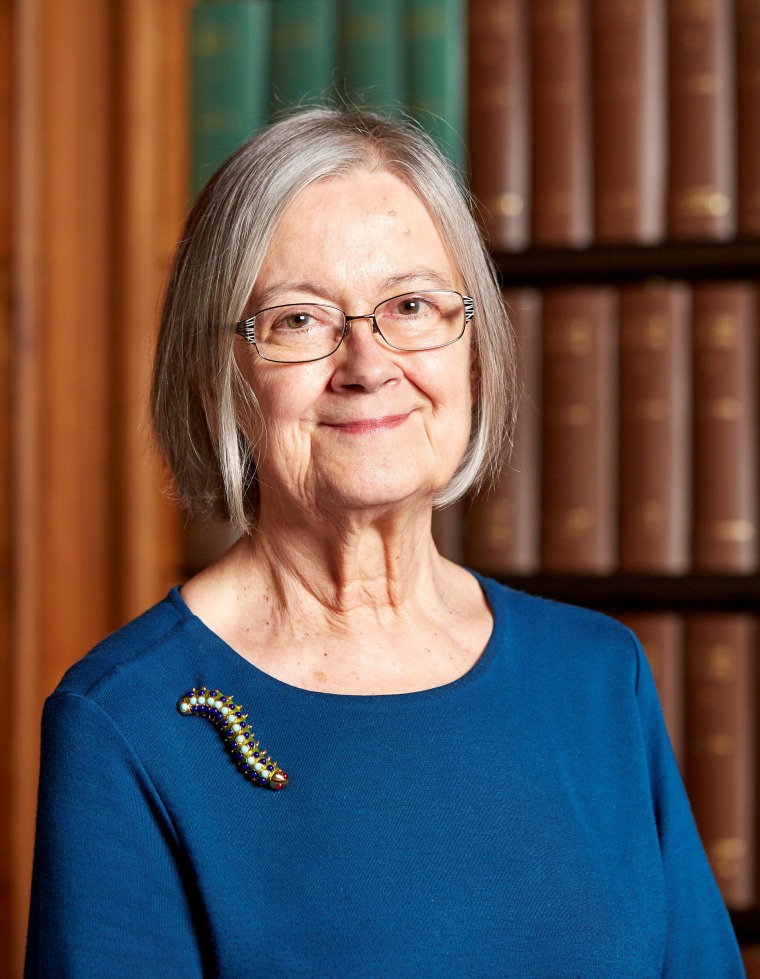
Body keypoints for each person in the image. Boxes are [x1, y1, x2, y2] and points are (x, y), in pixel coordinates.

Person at [25, 108, 743, 978]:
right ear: (214, 372)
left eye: (411, 305)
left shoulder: (598, 676)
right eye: (298, 320)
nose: (368, 363)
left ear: (473, 347)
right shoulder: (124, 719)